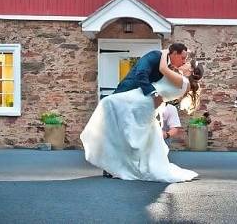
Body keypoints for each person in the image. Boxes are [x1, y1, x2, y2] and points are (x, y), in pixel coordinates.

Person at [80, 48, 204, 182]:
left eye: (186, 62)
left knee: (109, 104)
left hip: (143, 100)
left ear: (190, 71)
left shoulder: (182, 81)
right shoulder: (184, 84)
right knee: (135, 135)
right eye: (183, 59)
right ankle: (122, 165)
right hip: (147, 102)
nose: (183, 62)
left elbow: (163, 69)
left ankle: (119, 164)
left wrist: (164, 52)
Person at [114, 43, 189, 108]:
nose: (184, 62)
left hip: (135, 100)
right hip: (126, 91)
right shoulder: (156, 55)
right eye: (182, 58)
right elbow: (141, 73)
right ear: (175, 53)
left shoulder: (166, 64)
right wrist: (152, 94)